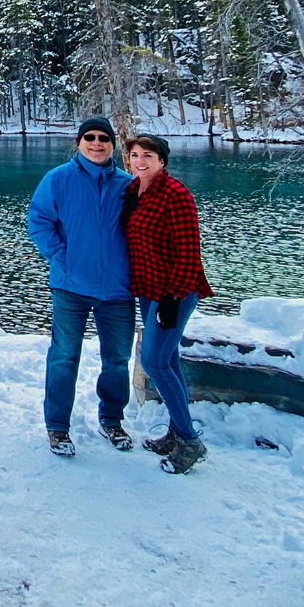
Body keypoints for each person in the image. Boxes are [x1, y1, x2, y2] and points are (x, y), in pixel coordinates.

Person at [27, 116, 136, 457]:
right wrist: (64, 261)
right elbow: (39, 222)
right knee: (63, 356)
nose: (96, 143)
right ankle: (57, 427)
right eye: (89, 137)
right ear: (79, 142)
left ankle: (112, 419)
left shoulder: (127, 184)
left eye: (104, 137)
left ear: (113, 145)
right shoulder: (58, 179)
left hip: (118, 290)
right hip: (70, 287)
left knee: (117, 359)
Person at [121, 134, 215, 475]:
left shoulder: (176, 195)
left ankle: (190, 441)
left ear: (162, 160)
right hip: (148, 289)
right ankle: (178, 430)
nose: (140, 161)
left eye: (148, 155)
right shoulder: (134, 192)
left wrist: (172, 300)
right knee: (169, 361)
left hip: (174, 292)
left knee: (155, 363)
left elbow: (189, 253)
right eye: (134, 155)